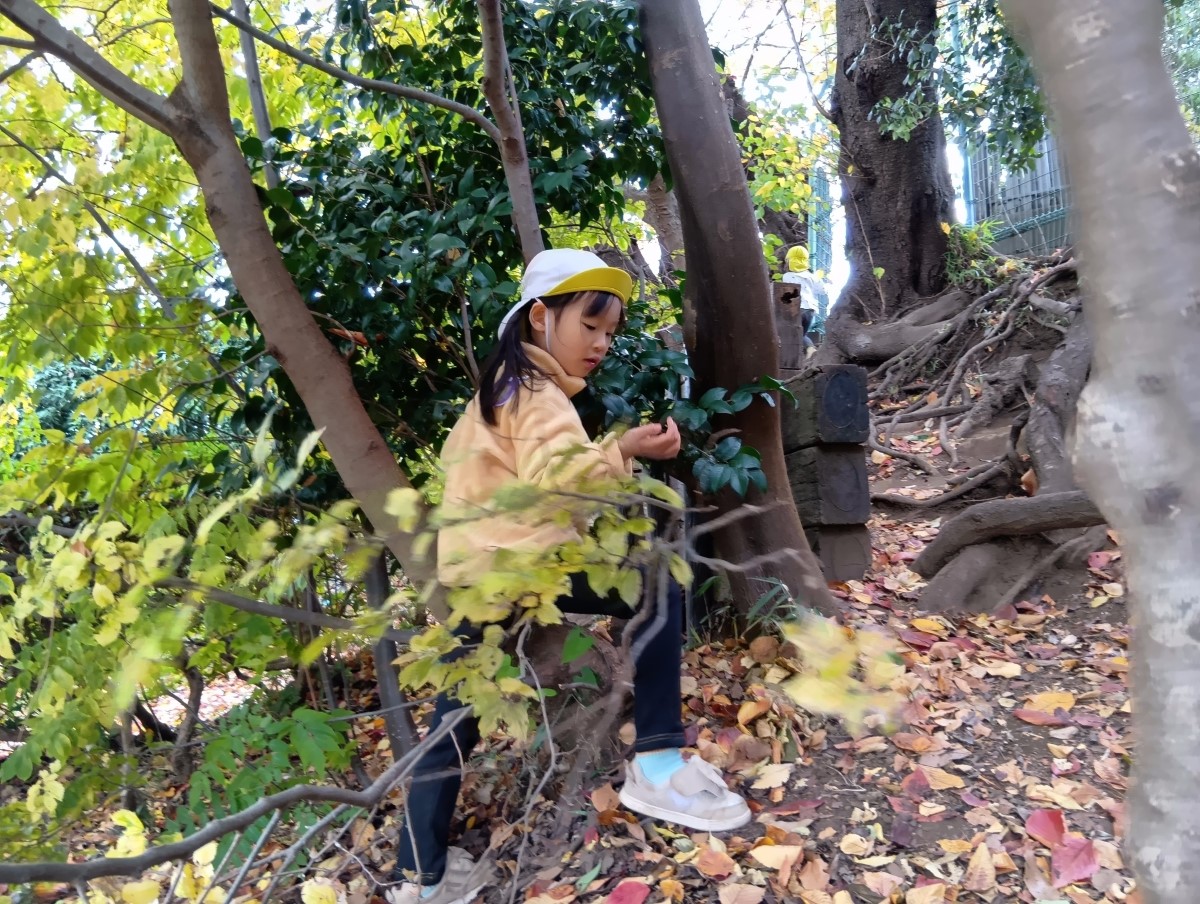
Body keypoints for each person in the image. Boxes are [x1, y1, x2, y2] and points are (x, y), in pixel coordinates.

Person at [389, 249, 751, 904]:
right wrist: (624, 449)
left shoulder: (498, 391)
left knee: (453, 720)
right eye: (589, 325)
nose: (602, 344)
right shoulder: (534, 392)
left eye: (609, 331)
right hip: (520, 566)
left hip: (477, 576)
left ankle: (419, 877)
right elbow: (561, 483)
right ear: (539, 317)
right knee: (655, 577)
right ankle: (657, 762)